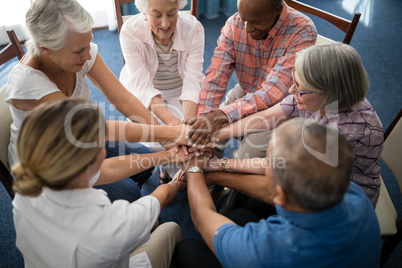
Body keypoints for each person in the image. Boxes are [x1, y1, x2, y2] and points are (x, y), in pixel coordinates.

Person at [4, 0, 188, 202]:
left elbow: (124, 100)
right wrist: (172, 133)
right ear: (45, 47)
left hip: (80, 140)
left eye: (88, 43)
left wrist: (166, 140)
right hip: (47, 165)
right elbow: (97, 128)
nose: (87, 53)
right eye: (78, 51)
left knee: (144, 165)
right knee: (130, 194)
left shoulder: (78, 52)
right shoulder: (28, 85)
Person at [172, 118, 382, 268]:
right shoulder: (353, 194)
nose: (265, 164)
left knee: (187, 250)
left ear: (281, 194)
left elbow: (201, 216)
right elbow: (269, 189)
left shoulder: (264, 249)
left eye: (269, 163)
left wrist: (193, 168)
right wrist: (216, 175)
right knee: (241, 216)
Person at [12, 98, 191, 268]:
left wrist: (169, 156)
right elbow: (155, 201)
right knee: (171, 229)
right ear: (90, 160)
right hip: (105, 246)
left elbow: (110, 169)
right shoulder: (111, 225)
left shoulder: (27, 189)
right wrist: (175, 184)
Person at [213, 42, 384, 208]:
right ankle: (235, 208)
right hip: (305, 170)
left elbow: (278, 166)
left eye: (299, 87)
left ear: (327, 93)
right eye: (293, 82)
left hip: (337, 201)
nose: (291, 91)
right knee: (248, 181)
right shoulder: (325, 97)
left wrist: (215, 166)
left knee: (253, 192)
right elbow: (266, 117)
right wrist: (216, 134)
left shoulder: (345, 134)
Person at [186, 0, 317, 159]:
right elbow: (215, 76)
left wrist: (222, 116)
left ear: (277, 11)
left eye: (256, 22)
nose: (247, 28)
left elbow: (273, 93)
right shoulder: (234, 24)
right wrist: (205, 117)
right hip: (247, 91)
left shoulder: (303, 31)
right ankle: (209, 163)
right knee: (206, 136)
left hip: (284, 108)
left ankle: (221, 175)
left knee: (244, 157)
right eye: (244, 19)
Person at [119, 0, 204, 182]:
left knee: (195, 133)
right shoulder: (129, 32)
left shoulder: (194, 28)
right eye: (157, 15)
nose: (165, 24)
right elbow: (144, 88)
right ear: (145, 12)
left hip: (181, 92)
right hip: (144, 94)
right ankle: (169, 170)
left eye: (172, 14)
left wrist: (187, 124)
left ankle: (173, 173)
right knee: (156, 138)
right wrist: (175, 126)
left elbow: (192, 82)